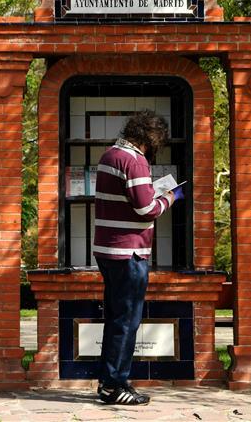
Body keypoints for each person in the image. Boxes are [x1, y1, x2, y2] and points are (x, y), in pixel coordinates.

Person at [93, 110, 183, 406]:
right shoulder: (135, 160)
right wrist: (170, 196)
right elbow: (146, 209)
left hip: (107, 250)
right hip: (129, 252)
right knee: (127, 322)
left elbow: (130, 200)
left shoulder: (110, 155)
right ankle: (114, 386)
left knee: (115, 319)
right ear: (152, 138)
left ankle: (109, 381)